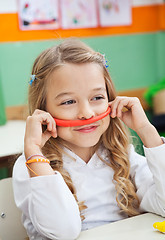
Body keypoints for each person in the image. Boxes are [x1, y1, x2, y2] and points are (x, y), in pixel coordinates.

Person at [12, 38, 165, 240]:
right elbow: (62, 232)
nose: (87, 113)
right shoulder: (30, 165)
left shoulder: (120, 153)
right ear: (43, 110)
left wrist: (147, 131)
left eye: (97, 98)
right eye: (68, 101)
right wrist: (33, 150)